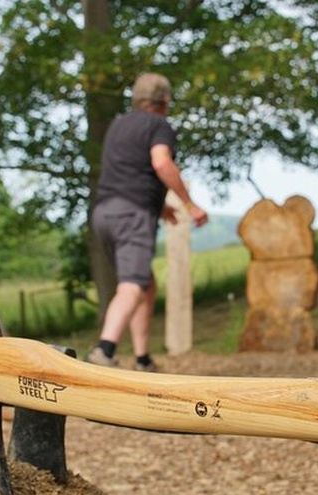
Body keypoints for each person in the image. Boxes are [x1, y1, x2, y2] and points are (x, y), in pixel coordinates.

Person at [87, 72, 208, 372]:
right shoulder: (158, 125)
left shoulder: (118, 125)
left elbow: (129, 172)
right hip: (132, 215)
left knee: (145, 283)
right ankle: (104, 350)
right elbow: (161, 162)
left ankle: (142, 358)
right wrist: (189, 204)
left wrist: (161, 206)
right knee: (132, 285)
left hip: (104, 213)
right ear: (164, 100)